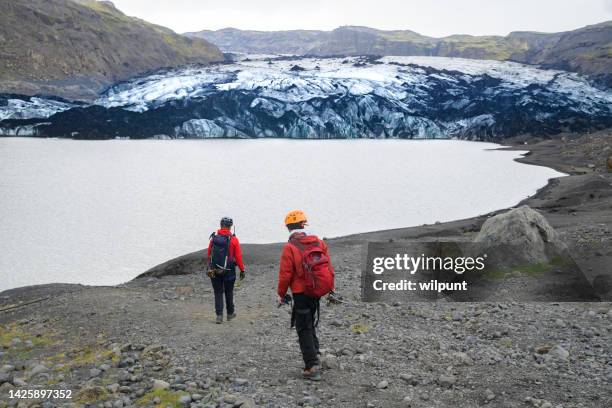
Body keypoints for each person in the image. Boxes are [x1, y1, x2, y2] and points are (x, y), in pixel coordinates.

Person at [277, 210, 335, 381]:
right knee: (311, 322)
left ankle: (312, 366)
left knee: (303, 327)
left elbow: (285, 275)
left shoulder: (290, 247)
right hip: (317, 290)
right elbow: (329, 267)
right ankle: (315, 354)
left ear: (289, 228)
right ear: (303, 225)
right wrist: (330, 288)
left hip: (300, 292)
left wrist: (280, 294)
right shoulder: (319, 242)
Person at [207, 216, 245, 324]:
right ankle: (230, 314)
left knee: (218, 292)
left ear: (221, 225)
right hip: (229, 270)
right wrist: (242, 270)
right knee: (229, 292)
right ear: (230, 226)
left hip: (215, 270)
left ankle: (219, 316)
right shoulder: (234, 240)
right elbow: (238, 257)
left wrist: (210, 266)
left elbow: (209, 254)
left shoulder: (214, 238)